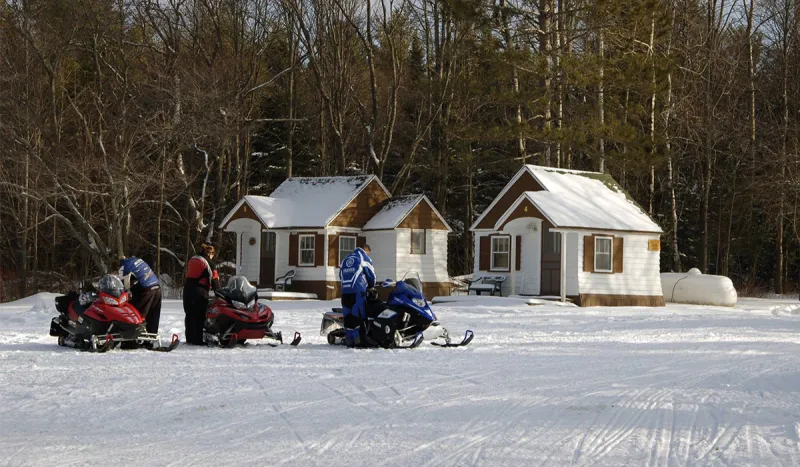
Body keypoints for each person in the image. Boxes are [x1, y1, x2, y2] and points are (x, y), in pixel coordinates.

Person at [183, 241, 220, 345]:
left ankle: (189, 339)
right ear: (210, 253)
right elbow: (215, 280)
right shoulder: (209, 262)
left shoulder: (193, 259)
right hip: (200, 290)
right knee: (199, 315)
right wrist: (219, 295)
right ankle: (197, 340)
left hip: (187, 289)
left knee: (189, 314)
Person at [339, 244, 376, 348]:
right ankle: (360, 340)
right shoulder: (363, 257)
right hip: (357, 291)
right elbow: (371, 275)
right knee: (358, 314)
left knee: (348, 315)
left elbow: (340, 275)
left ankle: (349, 340)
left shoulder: (346, 259)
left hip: (345, 291)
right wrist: (371, 286)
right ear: (366, 250)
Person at [119, 256, 162, 337]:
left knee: (137, 314)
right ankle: (151, 338)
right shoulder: (137, 260)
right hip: (157, 287)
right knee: (153, 314)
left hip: (147, 289)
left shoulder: (124, 266)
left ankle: (134, 339)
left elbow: (125, 285)